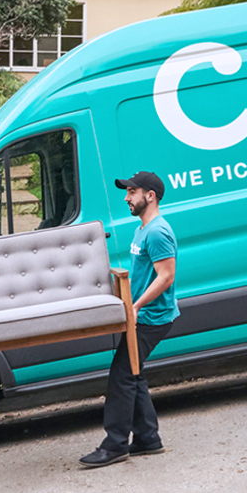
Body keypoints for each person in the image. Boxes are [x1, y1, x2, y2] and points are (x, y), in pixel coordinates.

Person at [80, 171, 179, 468]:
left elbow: (166, 277)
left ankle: (115, 444)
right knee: (132, 372)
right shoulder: (143, 230)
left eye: (132, 192)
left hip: (152, 317)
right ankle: (148, 438)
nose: (126, 197)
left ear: (150, 196)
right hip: (140, 314)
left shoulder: (158, 232)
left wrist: (135, 306)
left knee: (122, 376)